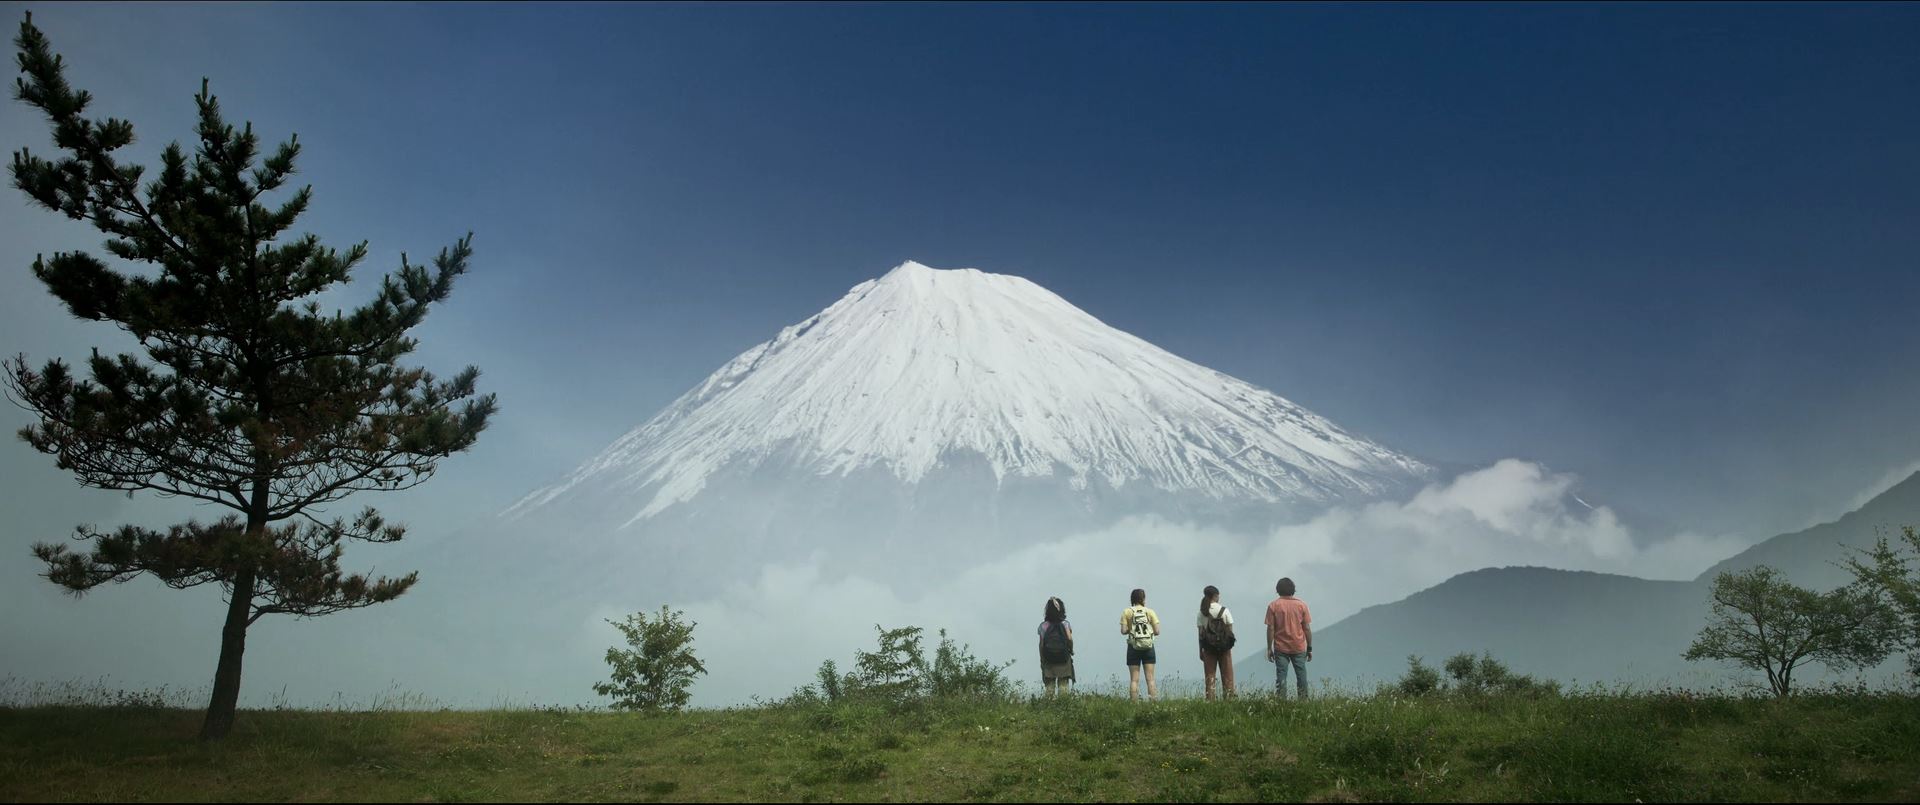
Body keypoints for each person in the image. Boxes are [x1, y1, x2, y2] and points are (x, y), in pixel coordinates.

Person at [1264, 576, 1312, 699]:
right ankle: (1303, 700)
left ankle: (1281, 701)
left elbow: (1270, 628)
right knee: (1301, 675)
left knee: (1281, 675)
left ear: (1278, 590)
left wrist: (1269, 648)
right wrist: (1309, 648)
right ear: (1293, 589)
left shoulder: (1273, 606)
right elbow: (1306, 628)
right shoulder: (1302, 605)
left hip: (1281, 647)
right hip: (1299, 646)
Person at [1120, 587, 1162, 701]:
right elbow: (1157, 631)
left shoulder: (1127, 612)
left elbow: (1123, 631)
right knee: (1150, 679)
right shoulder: (1150, 611)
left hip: (1133, 646)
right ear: (1143, 599)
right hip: (1148, 646)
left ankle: (1134, 704)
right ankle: (1154, 703)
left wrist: (1132, 630)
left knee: (1134, 679)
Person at [1196, 584, 1236, 700]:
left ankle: (1210, 700)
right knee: (1227, 675)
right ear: (1216, 596)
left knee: (1210, 676)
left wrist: (1201, 650)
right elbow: (1230, 631)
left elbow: (1200, 634)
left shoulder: (1202, 612)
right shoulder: (1224, 610)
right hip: (1224, 647)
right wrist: (1228, 645)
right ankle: (1229, 698)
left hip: (1208, 647)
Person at [1038, 596, 1075, 697]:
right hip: (1063, 658)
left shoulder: (1043, 626)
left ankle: (1049, 707)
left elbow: (1041, 645)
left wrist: (1042, 659)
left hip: (1048, 660)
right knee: (1063, 685)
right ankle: (1063, 706)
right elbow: (1069, 639)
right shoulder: (1065, 624)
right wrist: (1071, 650)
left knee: (1049, 686)